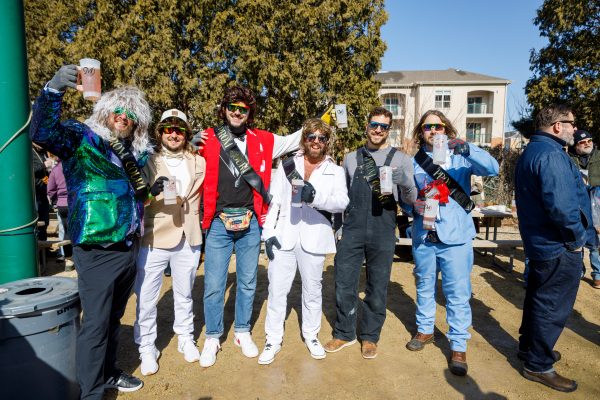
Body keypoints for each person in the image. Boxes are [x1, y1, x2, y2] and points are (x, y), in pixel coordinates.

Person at [30, 64, 159, 398]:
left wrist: (150, 192)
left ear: (138, 122)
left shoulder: (134, 156)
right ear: (105, 112)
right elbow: (42, 133)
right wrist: (53, 90)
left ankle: (109, 372)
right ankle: (91, 393)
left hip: (128, 247)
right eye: (117, 109)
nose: (123, 116)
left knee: (113, 319)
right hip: (97, 248)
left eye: (131, 114)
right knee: (96, 325)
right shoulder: (81, 138)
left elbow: (132, 195)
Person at [198, 85, 302, 367]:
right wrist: (187, 138)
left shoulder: (264, 140)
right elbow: (170, 146)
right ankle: (213, 336)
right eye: (232, 107)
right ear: (224, 110)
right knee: (214, 284)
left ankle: (242, 331)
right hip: (218, 222)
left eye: (242, 108)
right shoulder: (207, 137)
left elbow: (297, 138)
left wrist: (328, 117)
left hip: (251, 221)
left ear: (249, 113)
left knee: (247, 282)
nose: (236, 112)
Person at [404, 110, 499, 376]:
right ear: (420, 132)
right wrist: (413, 206)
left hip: (455, 236)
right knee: (423, 284)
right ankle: (424, 330)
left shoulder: (462, 156)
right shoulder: (414, 162)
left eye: (438, 126)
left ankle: (458, 344)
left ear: (446, 129)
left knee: (457, 293)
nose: (433, 131)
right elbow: (406, 197)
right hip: (424, 234)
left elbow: (493, 168)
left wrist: (468, 149)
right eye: (427, 127)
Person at [324, 106, 417, 359]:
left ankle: (370, 336)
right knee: (344, 283)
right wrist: (338, 227)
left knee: (377, 286)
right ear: (367, 126)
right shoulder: (351, 158)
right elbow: (341, 197)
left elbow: (410, 200)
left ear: (389, 130)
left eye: (384, 127)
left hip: (383, 229)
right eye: (374, 125)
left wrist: (405, 181)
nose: (378, 130)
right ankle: (344, 332)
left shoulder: (401, 159)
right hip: (352, 229)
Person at [515, 104, 593, 393]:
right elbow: (562, 207)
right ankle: (538, 364)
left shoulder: (534, 151)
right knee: (551, 306)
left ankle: (530, 349)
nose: (575, 128)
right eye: (572, 123)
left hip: (541, 244)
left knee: (538, 299)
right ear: (558, 126)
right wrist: (575, 241)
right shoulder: (550, 155)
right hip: (557, 245)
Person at [258, 118, 349, 364]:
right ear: (305, 139)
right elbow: (274, 203)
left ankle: (311, 335)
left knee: (312, 290)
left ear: (327, 142)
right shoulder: (287, 165)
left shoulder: (336, 170)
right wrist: (267, 234)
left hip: (315, 237)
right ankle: (273, 339)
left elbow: (342, 202)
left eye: (321, 138)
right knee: (277, 290)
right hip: (284, 236)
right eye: (312, 137)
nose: (316, 142)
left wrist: (316, 197)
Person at [133, 109, 206, 375]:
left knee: (185, 293)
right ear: (160, 132)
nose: (173, 134)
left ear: (186, 133)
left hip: (189, 236)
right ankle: (146, 346)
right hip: (155, 237)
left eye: (179, 130)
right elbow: (135, 199)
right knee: (147, 297)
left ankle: (186, 338)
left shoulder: (199, 162)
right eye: (168, 129)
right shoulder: (146, 161)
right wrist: (150, 194)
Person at [568, 129, 600, 288]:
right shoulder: (569, 158)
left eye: (589, 140)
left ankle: (598, 275)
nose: (587, 144)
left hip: (597, 200)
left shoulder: (599, 156)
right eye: (582, 142)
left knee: (596, 239)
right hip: (577, 201)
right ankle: (577, 272)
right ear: (575, 145)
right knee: (578, 235)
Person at [47, 159, 74, 270]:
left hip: (62, 204)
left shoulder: (56, 169)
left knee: (65, 231)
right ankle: (78, 257)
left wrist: (55, 199)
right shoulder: (74, 165)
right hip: (75, 202)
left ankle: (68, 259)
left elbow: (50, 189)